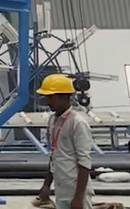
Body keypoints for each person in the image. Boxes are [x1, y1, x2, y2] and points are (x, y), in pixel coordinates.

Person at [34, 74, 92, 209]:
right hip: (61, 188)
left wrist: (78, 198)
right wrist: (47, 184)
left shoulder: (77, 123)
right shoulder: (53, 121)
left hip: (75, 188)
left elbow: (84, 163)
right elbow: (54, 155)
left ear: (64, 97)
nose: (48, 101)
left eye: (51, 97)